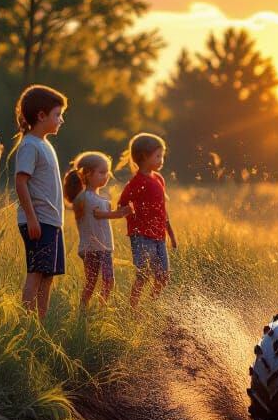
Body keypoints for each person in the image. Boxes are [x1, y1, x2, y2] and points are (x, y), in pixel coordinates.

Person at [13, 85, 68, 320]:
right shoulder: (29, 145)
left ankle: (39, 325)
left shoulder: (45, 144)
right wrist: (32, 218)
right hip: (39, 221)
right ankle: (26, 325)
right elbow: (20, 182)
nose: (61, 120)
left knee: (48, 275)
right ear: (41, 116)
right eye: (58, 114)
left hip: (52, 222)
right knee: (36, 273)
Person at [63, 152, 133, 307]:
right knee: (92, 281)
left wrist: (119, 210)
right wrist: (118, 213)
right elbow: (98, 214)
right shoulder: (85, 197)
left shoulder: (102, 199)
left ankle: (101, 307)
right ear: (87, 174)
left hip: (105, 247)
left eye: (107, 172)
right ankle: (84, 308)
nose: (106, 176)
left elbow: (104, 214)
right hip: (91, 248)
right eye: (101, 172)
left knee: (108, 280)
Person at [118, 133, 177, 308]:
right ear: (144, 156)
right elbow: (122, 204)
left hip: (159, 236)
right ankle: (133, 309)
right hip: (142, 236)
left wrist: (171, 234)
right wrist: (133, 218)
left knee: (163, 276)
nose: (161, 160)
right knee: (143, 275)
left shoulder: (158, 179)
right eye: (158, 156)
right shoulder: (136, 183)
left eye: (162, 156)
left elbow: (162, 209)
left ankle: (150, 305)